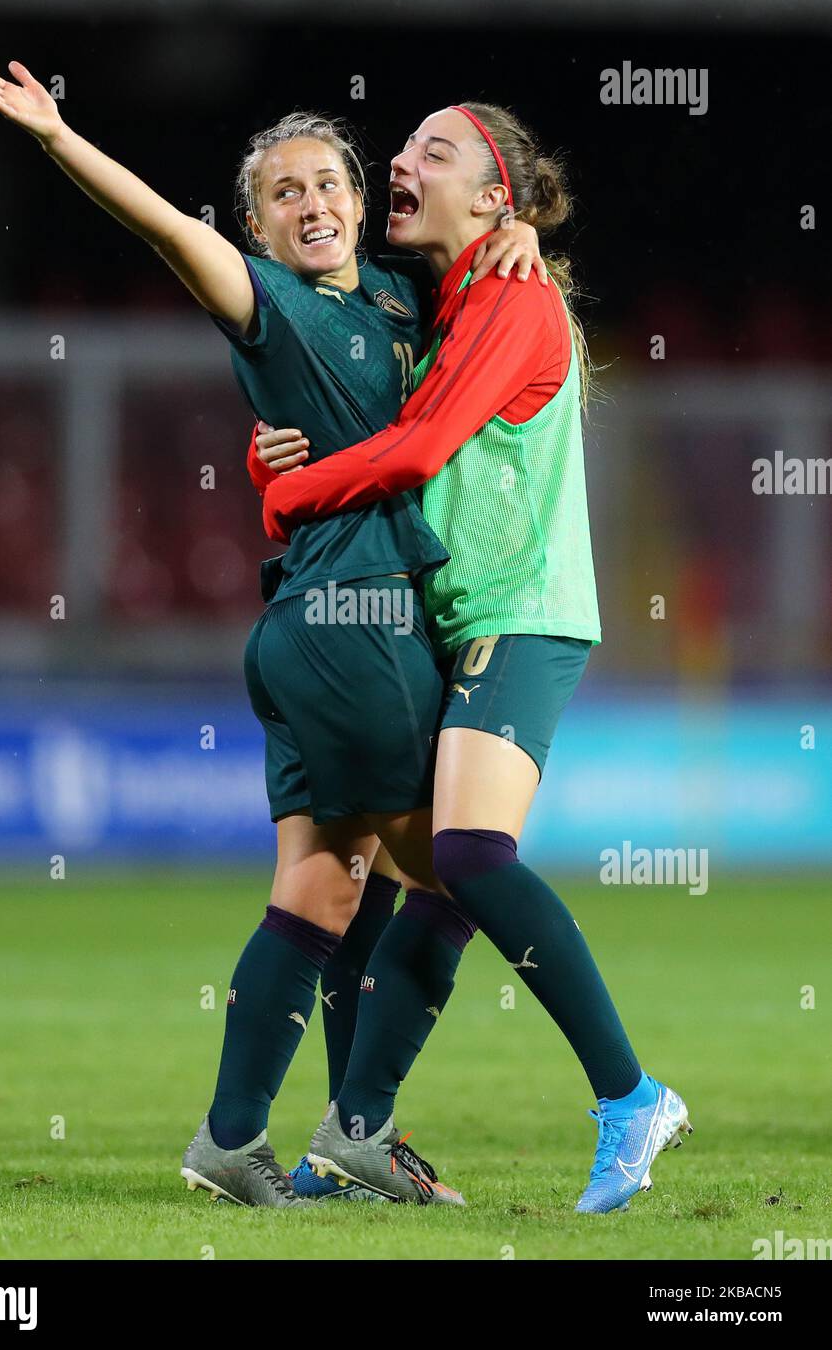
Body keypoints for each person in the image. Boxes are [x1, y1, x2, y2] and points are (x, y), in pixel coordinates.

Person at [0, 63, 543, 1206]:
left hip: (312, 624)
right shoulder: (264, 300)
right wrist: (59, 140)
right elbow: (168, 228)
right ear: (254, 224)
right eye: (283, 192)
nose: (312, 202)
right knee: (460, 877)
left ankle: (232, 1142)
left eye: (329, 181)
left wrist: (521, 240)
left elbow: (483, 288)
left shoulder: (392, 299)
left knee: (322, 890)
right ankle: (364, 1127)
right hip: (352, 623)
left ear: (362, 202)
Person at [257, 103, 692, 1215]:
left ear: (496, 198)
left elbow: (413, 451)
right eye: (399, 151)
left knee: (468, 855)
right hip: (451, 620)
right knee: (413, 889)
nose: (397, 163)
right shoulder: (449, 302)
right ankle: (354, 1137)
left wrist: (281, 495)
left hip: (523, 613)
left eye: (431, 153)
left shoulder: (509, 297)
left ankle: (629, 1094)